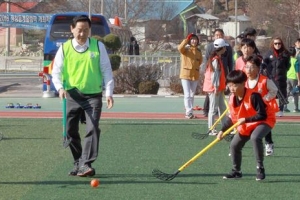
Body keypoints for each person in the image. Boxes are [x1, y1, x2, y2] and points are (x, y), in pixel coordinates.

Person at [51, 15, 114, 177]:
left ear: (89, 30)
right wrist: (59, 88)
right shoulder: (64, 48)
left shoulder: (98, 47)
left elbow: (106, 70)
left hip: (93, 96)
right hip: (72, 95)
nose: (82, 34)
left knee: (92, 128)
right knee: (70, 131)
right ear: (72, 29)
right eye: (79, 30)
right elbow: (56, 72)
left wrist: (109, 92)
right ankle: (78, 161)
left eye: (86, 30)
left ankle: (86, 163)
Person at [217, 70, 276, 181]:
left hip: (265, 121)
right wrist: (222, 130)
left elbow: (262, 115)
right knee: (234, 145)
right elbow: (232, 117)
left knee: (255, 137)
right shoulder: (232, 98)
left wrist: (245, 119)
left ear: (243, 83)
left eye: (235, 85)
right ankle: (236, 171)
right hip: (246, 123)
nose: (232, 89)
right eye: (229, 86)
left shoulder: (254, 96)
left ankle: (260, 168)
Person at [244, 55, 279, 156]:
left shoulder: (264, 80)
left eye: (252, 67)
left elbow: (274, 91)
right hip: (251, 110)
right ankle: (237, 146)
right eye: (247, 67)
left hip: (264, 111)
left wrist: (264, 99)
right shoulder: (244, 81)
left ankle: (269, 144)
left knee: (264, 127)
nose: (249, 70)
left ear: (258, 68)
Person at [201, 29, 233, 117]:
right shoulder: (211, 48)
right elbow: (206, 60)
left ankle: (219, 113)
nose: (218, 36)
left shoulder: (228, 47)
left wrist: (230, 73)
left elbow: (230, 61)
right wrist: (205, 71)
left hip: (223, 72)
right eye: (216, 35)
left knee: (221, 95)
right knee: (212, 94)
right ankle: (207, 111)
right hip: (213, 75)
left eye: (220, 35)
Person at [202, 38, 228, 135]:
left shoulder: (217, 58)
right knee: (213, 109)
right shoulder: (215, 60)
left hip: (218, 88)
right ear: (222, 48)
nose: (226, 49)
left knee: (222, 108)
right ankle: (211, 128)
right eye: (225, 47)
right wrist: (216, 87)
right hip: (214, 88)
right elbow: (215, 75)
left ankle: (225, 127)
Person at [263, 37, 290, 117]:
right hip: (271, 78)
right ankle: (271, 110)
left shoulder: (285, 53)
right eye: (276, 43)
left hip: (281, 77)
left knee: (282, 93)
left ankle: (280, 110)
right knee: (271, 94)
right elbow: (264, 63)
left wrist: (282, 71)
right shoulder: (269, 53)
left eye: (279, 43)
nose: (277, 45)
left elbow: (287, 65)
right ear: (273, 44)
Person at [178, 33, 203, 119]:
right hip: (185, 74)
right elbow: (179, 48)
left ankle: (191, 112)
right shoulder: (185, 49)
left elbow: (200, 61)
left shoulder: (199, 51)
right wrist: (186, 39)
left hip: (194, 75)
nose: (194, 41)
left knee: (192, 95)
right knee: (187, 94)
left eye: (195, 39)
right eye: (192, 39)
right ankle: (188, 112)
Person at [285, 47, 300, 112]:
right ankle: (296, 108)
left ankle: (284, 107)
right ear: (294, 53)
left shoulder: (287, 60)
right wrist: (299, 80)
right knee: (295, 93)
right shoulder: (296, 61)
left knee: (286, 92)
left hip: (287, 77)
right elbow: (297, 71)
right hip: (294, 78)